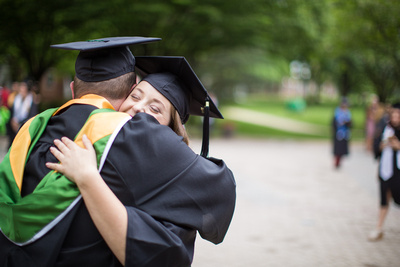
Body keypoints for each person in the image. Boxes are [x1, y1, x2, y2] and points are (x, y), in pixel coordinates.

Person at [0, 39, 235, 267]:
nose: (139, 111)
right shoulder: (126, 140)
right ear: (130, 88)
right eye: (135, 96)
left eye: (154, 109)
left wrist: (89, 178)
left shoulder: (34, 128)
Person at [368, 103, 400, 241]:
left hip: (398, 172)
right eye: (393, 114)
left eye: (398, 115)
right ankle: (379, 228)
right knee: (383, 200)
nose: (395, 117)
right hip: (385, 170)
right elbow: (376, 147)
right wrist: (381, 146)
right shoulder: (385, 128)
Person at [5, 80, 38, 148]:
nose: (22, 90)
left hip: (25, 126)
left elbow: (32, 116)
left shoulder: (31, 101)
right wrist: (13, 121)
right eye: (21, 88)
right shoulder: (16, 99)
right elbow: (12, 112)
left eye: (24, 88)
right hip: (14, 125)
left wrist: (20, 125)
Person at [332, 97, 352, 168]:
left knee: (343, 150)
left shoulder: (348, 113)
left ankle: (340, 162)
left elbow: (351, 123)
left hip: (345, 133)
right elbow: (334, 123)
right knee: (338, 150)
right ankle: (337, 162)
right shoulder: (337, 112)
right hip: (338, 133)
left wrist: (347, 123)